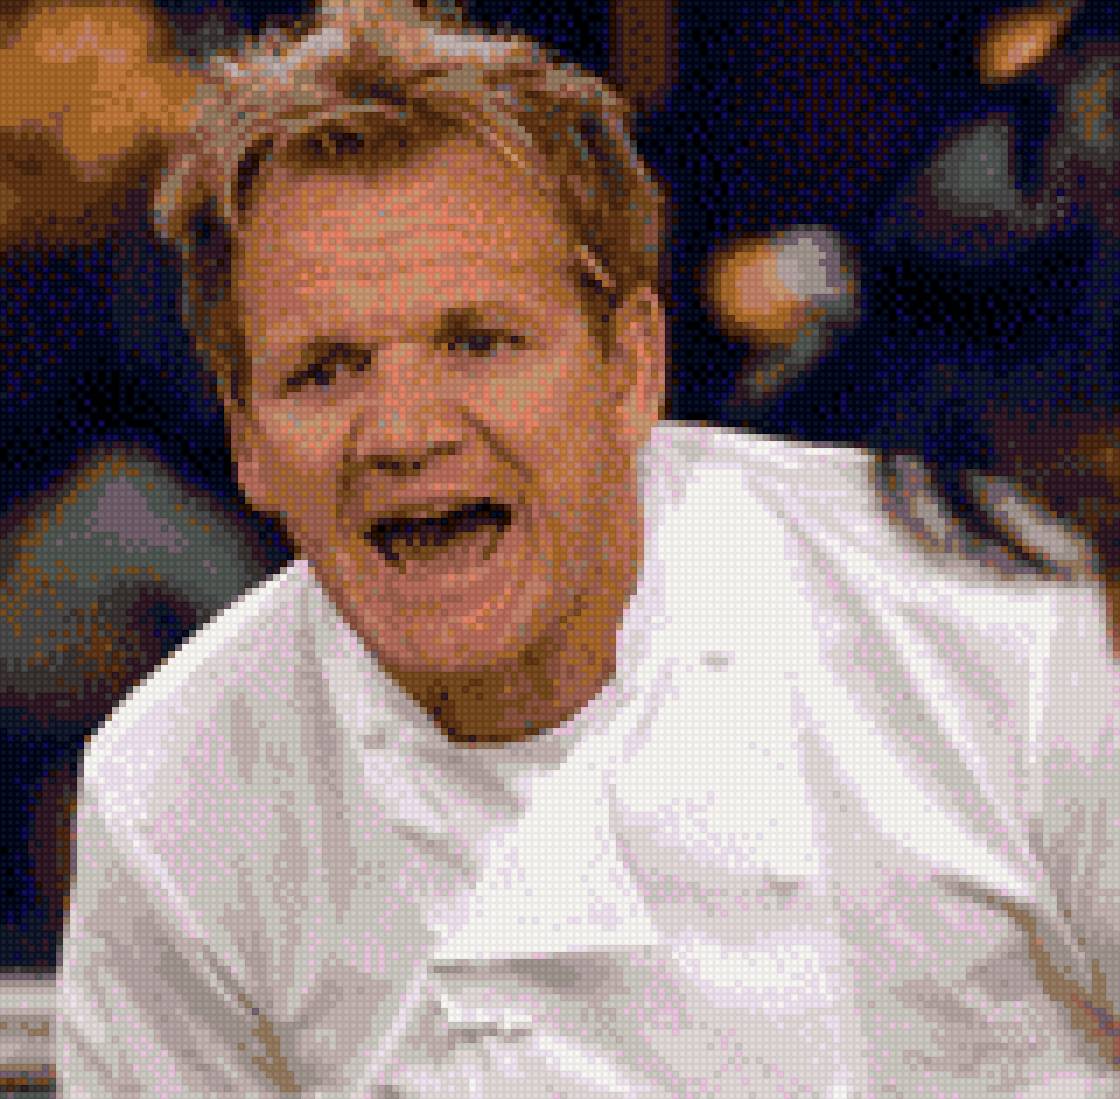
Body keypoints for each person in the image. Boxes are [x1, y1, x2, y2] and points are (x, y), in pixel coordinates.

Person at [57, 1, 1120, 1095]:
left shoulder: (1011, 630)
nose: (403, 432)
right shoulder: (175, 793)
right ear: (247, 441)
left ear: (630, 370)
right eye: (322, 372)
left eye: (480, 342)